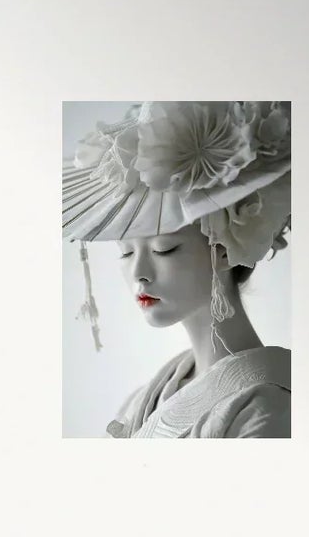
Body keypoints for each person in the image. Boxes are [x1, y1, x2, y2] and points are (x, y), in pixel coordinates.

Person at [62, 100, 292, 439]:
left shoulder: (265, 407)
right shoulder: (148, 394)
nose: (139, 272)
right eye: (125, 253)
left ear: (226, 248)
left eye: (163, 249)